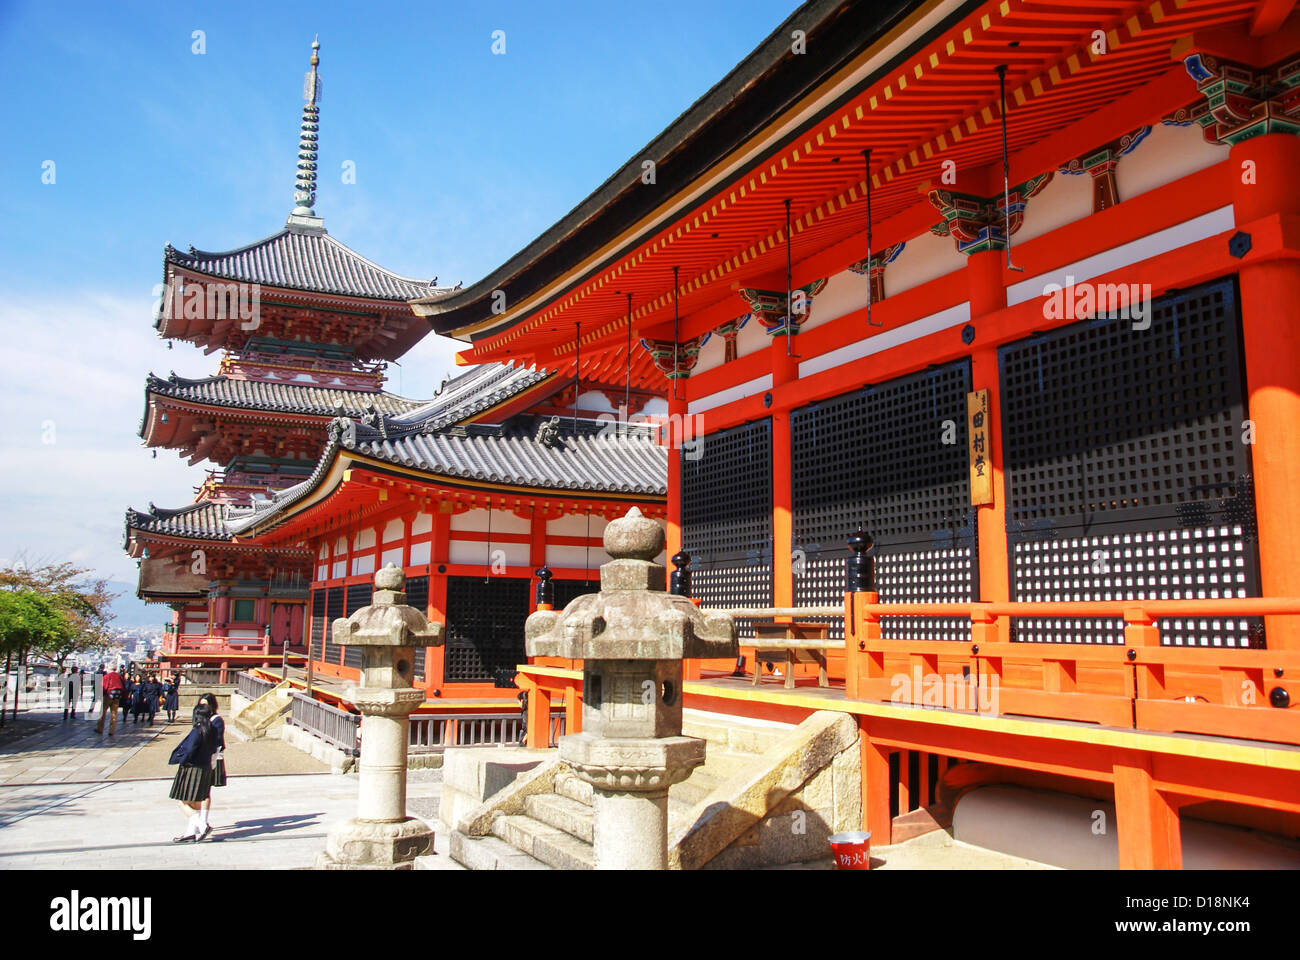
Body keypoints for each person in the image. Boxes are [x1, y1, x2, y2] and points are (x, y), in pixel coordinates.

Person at [168, 702, 219, 842]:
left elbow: (190, 749)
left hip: (193, 768)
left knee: (182, 802)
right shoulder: (212, 730)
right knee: (194, 802)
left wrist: (183, 760)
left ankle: (202, 825)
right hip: (205, 766)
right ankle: (190, 833)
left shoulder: (197, 730)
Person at [200, 692, 226, 829]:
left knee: (205, 789)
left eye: (206, 705)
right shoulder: (199, 719)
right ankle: (198, 821)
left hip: (211, 757)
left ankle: (202, 820)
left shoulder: (216, 720)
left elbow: (217, 740)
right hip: (199, 757)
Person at [95, 667, 125, 736]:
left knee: (103, 712)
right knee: (114, 714)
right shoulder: (119, 676)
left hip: (108, 696)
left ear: (109, 669)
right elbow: (123, 686)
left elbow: (104, 686)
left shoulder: (107, 676)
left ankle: (100, 728)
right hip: (117, 696)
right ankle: (111, 730)